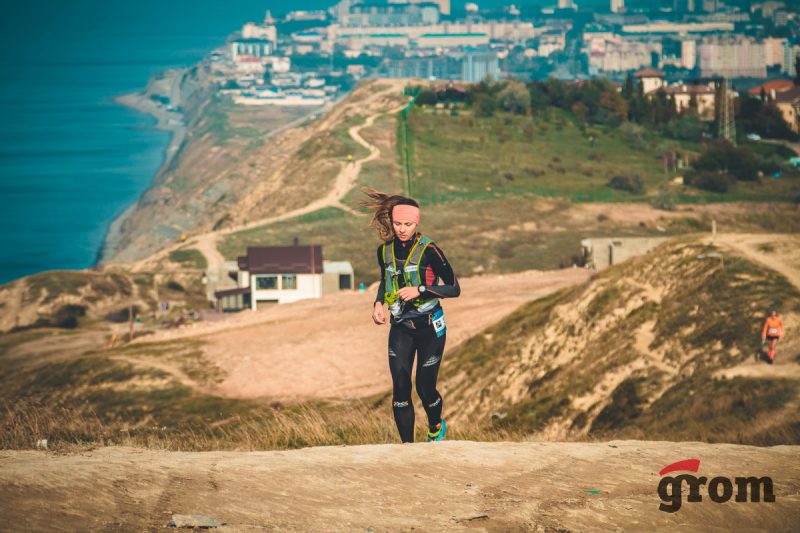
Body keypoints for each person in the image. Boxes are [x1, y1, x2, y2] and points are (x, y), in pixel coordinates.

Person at [362, 188, 461, 443]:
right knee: (401, 389)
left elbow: (454, 288)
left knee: (424, 388)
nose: (402, 229)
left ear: (416, 222)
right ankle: (408, 449)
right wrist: (377, 304)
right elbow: (386, 280)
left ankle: (436, 426)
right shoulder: (384, 252)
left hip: (430, 328)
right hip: (401, 328)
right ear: (391, 222)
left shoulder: (430, 249)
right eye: (397, 223)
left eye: (407, 224)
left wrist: (420, 290)